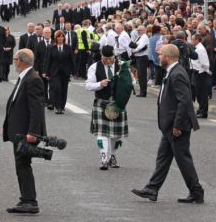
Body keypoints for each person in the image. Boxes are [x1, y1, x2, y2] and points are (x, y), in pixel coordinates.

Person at [132, 44, 203, 204]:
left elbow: (184, 102)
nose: (159, 57)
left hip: (177, 126)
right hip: (169, 126)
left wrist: (177, 126)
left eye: (161, 54)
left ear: (168, 57)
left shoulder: (177, 73)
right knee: (163, 159)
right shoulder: (171, 71)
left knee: (183, 159)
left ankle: (196, 191)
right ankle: (152, 188)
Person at [2, 48, 46, 215]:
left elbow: (37, 109)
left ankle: (30, 201)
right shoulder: (26, 78)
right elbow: (16, 105)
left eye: (14, 59)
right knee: (21, 165)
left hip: (26, 132)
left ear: (19, 61)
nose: (14, 62)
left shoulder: (33, 79)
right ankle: (26, 198)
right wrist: (7, 126)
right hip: (19, 130)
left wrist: (34, 133)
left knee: (23, 165)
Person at [86, 45, 128, 170]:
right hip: (101, 102)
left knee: (116, 134)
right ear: (102, 56)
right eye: (106, 58)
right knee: (102, 132)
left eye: (111, 58)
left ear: (114, 56)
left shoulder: (122, 66)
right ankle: (104, 158)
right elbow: (88, 85)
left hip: (118, 103)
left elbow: (131, 83)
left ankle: (113, 156)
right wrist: (100, 84)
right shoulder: (94, 67)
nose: (109, 61)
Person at [45, 30, 76, 114]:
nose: (60, 38)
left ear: (64, 38)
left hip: (65, 72)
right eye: (59, 37)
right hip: (54, 72)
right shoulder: (52, 48)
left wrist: (74, 72)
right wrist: (47, 73)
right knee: (57, 87)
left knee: (64, 89)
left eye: (62, 37)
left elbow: (71, 60)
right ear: (56, 38)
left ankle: (62, 107)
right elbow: (49, 61)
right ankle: (57, 106)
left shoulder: (68, 47)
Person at [190, 34, 210, 119]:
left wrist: (207, 70)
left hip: (201, 73)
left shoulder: (200, 49)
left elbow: (204, 62)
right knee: (198, 93)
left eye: (193, 40)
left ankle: (203, 112)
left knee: (202, 94)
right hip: (197, 72)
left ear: (197, 40)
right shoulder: (197, 48)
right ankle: (200, 110)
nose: (191, 41)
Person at [132, 25, 150, 97]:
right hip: (139, 57)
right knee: (140, 75)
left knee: (142, 75)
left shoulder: (144, 37)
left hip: (142, 57)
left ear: (143, 30)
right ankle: (142, 91)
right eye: (138, 30)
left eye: (139, 30)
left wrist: (134, 51)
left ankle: (143, 92)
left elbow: (140, 47)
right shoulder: (140, 37)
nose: (138, 31)